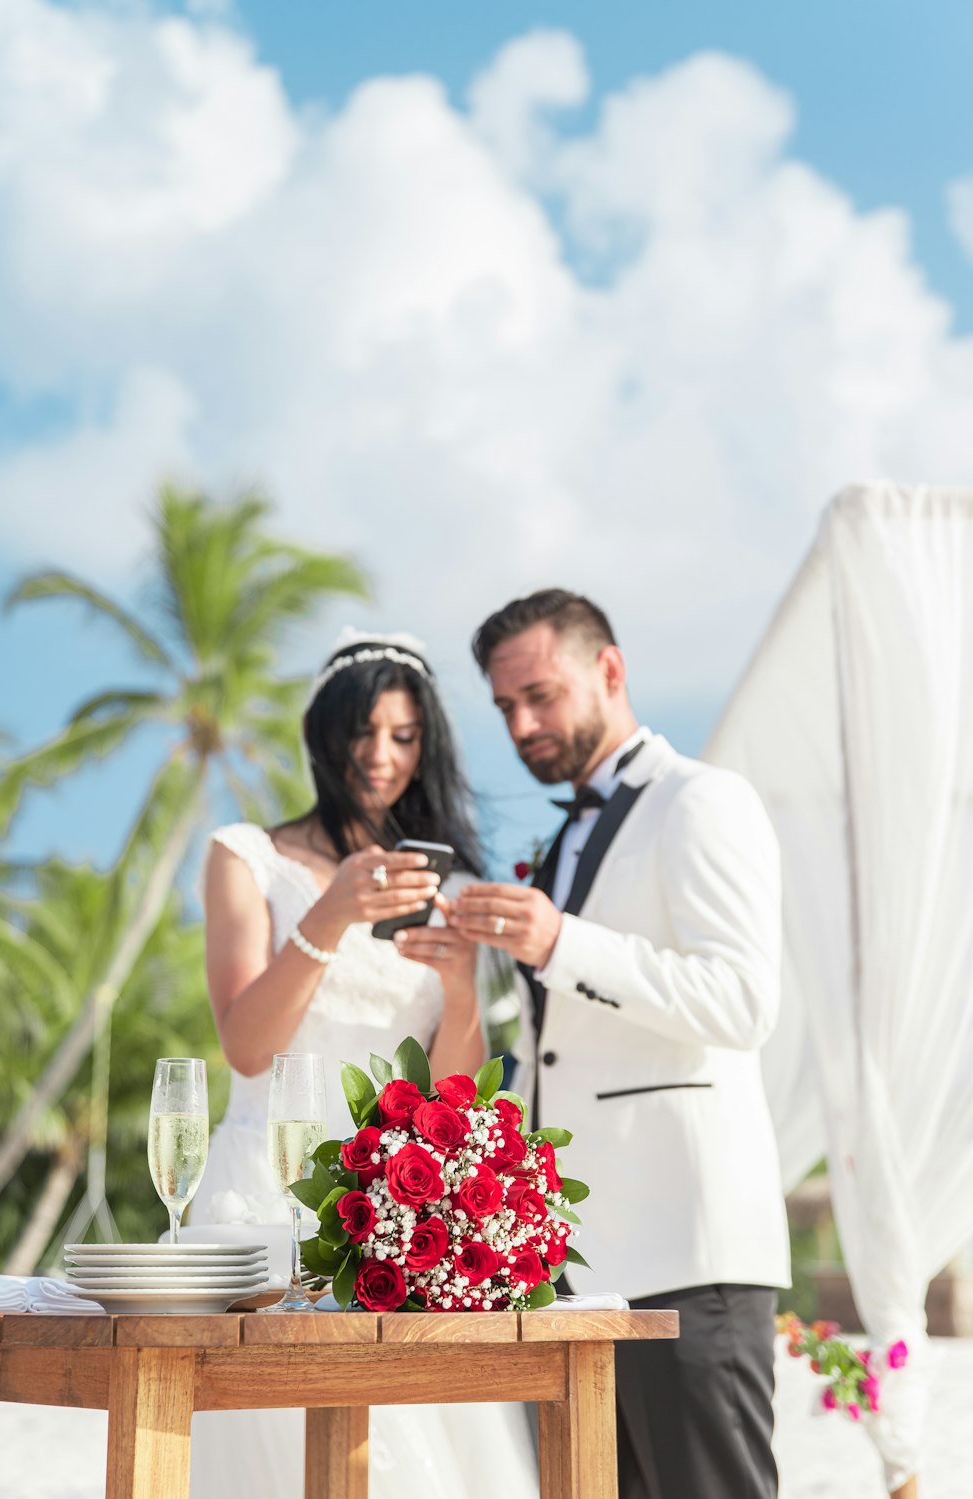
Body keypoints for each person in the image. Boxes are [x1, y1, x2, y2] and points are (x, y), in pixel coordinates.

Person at [451, 590, 790, 1499]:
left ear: (610, 669)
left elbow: (745, 1000)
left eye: (541, 694)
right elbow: (560, 1047)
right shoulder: (561, 838)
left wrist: (561, 942)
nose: (523, 723)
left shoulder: (702, 799)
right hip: (570, 1264)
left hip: (689, 1254)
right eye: (505, 707)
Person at [189, 628, 538, 1499]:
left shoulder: (446, 889)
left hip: (396, 1210)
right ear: (324, 732)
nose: (381, 756)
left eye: (405, 735)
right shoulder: (247, 856)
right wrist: (331, 915)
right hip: (262, 1196)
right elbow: (246, 1043)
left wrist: (460, 990)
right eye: (364, 731)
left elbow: (450, 1095)